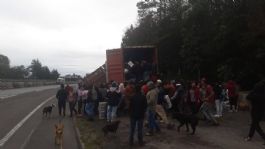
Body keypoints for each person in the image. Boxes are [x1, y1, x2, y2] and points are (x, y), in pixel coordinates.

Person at [245, 80, 265, 144]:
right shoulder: (262, 93)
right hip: (262, 111)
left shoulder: (254, 93)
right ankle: (250, 136)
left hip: (255, 110)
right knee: (254, 124)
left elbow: (248, 97)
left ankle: (252, 136)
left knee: (255, 124)